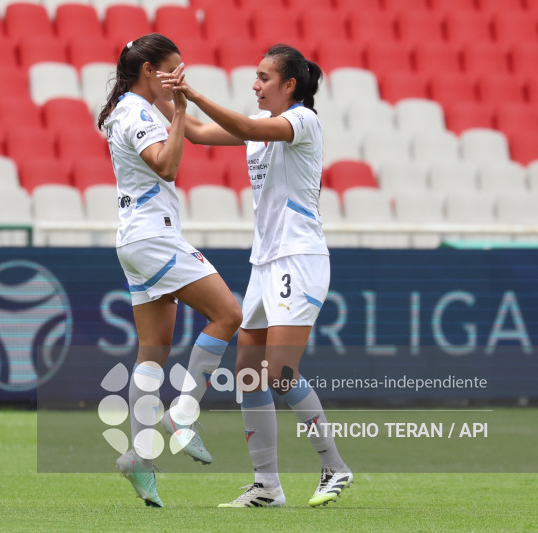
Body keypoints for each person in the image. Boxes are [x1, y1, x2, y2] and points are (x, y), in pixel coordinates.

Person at [157, 44, 352, 508]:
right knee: (249, 376)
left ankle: (335, 466)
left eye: (264, 78)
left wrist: (192, 92)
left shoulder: (302, 121)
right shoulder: (261, 130)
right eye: (255, 76)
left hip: (299, 258)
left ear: (290, 85)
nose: (255, 84)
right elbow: (202, 133)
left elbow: (242, 125)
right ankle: (268, 485)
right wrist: (161, 95)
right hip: (265, 263)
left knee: (281, 373)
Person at [98, 33, 242, 508]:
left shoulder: (131, 107)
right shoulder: (140, 113)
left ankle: (138, 456)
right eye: (173, 70)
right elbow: (166, 166)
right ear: (148, 71)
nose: (180, 78)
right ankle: (182, 412)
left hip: (135, 241)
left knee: (152, 352)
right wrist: (179, 109)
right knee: (228, 314)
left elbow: (200, 133)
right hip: (155, 238)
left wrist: (262, 132)